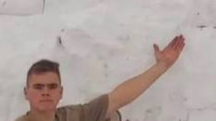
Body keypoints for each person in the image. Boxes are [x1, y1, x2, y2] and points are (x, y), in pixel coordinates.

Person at [15, 35, 186, 121]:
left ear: (61, 92)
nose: (45, 92)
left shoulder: (74, 116)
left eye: (52, 86)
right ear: (26, 93)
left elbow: (118, 98)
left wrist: (161, 66)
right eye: (38, 87)